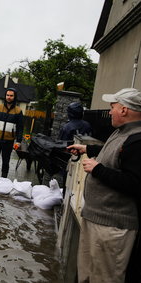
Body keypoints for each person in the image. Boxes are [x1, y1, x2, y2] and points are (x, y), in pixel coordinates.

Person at [67, 88, 141, 283]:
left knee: (105, 278)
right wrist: (88, 148)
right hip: (96, 219)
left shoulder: (137, 140)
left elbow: (135, 183)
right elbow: (116, 155)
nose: (109, 112)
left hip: (112, 229)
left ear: (124, 110)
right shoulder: (123, 132)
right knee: (87, 275)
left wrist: (97, 168)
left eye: (113, 107)